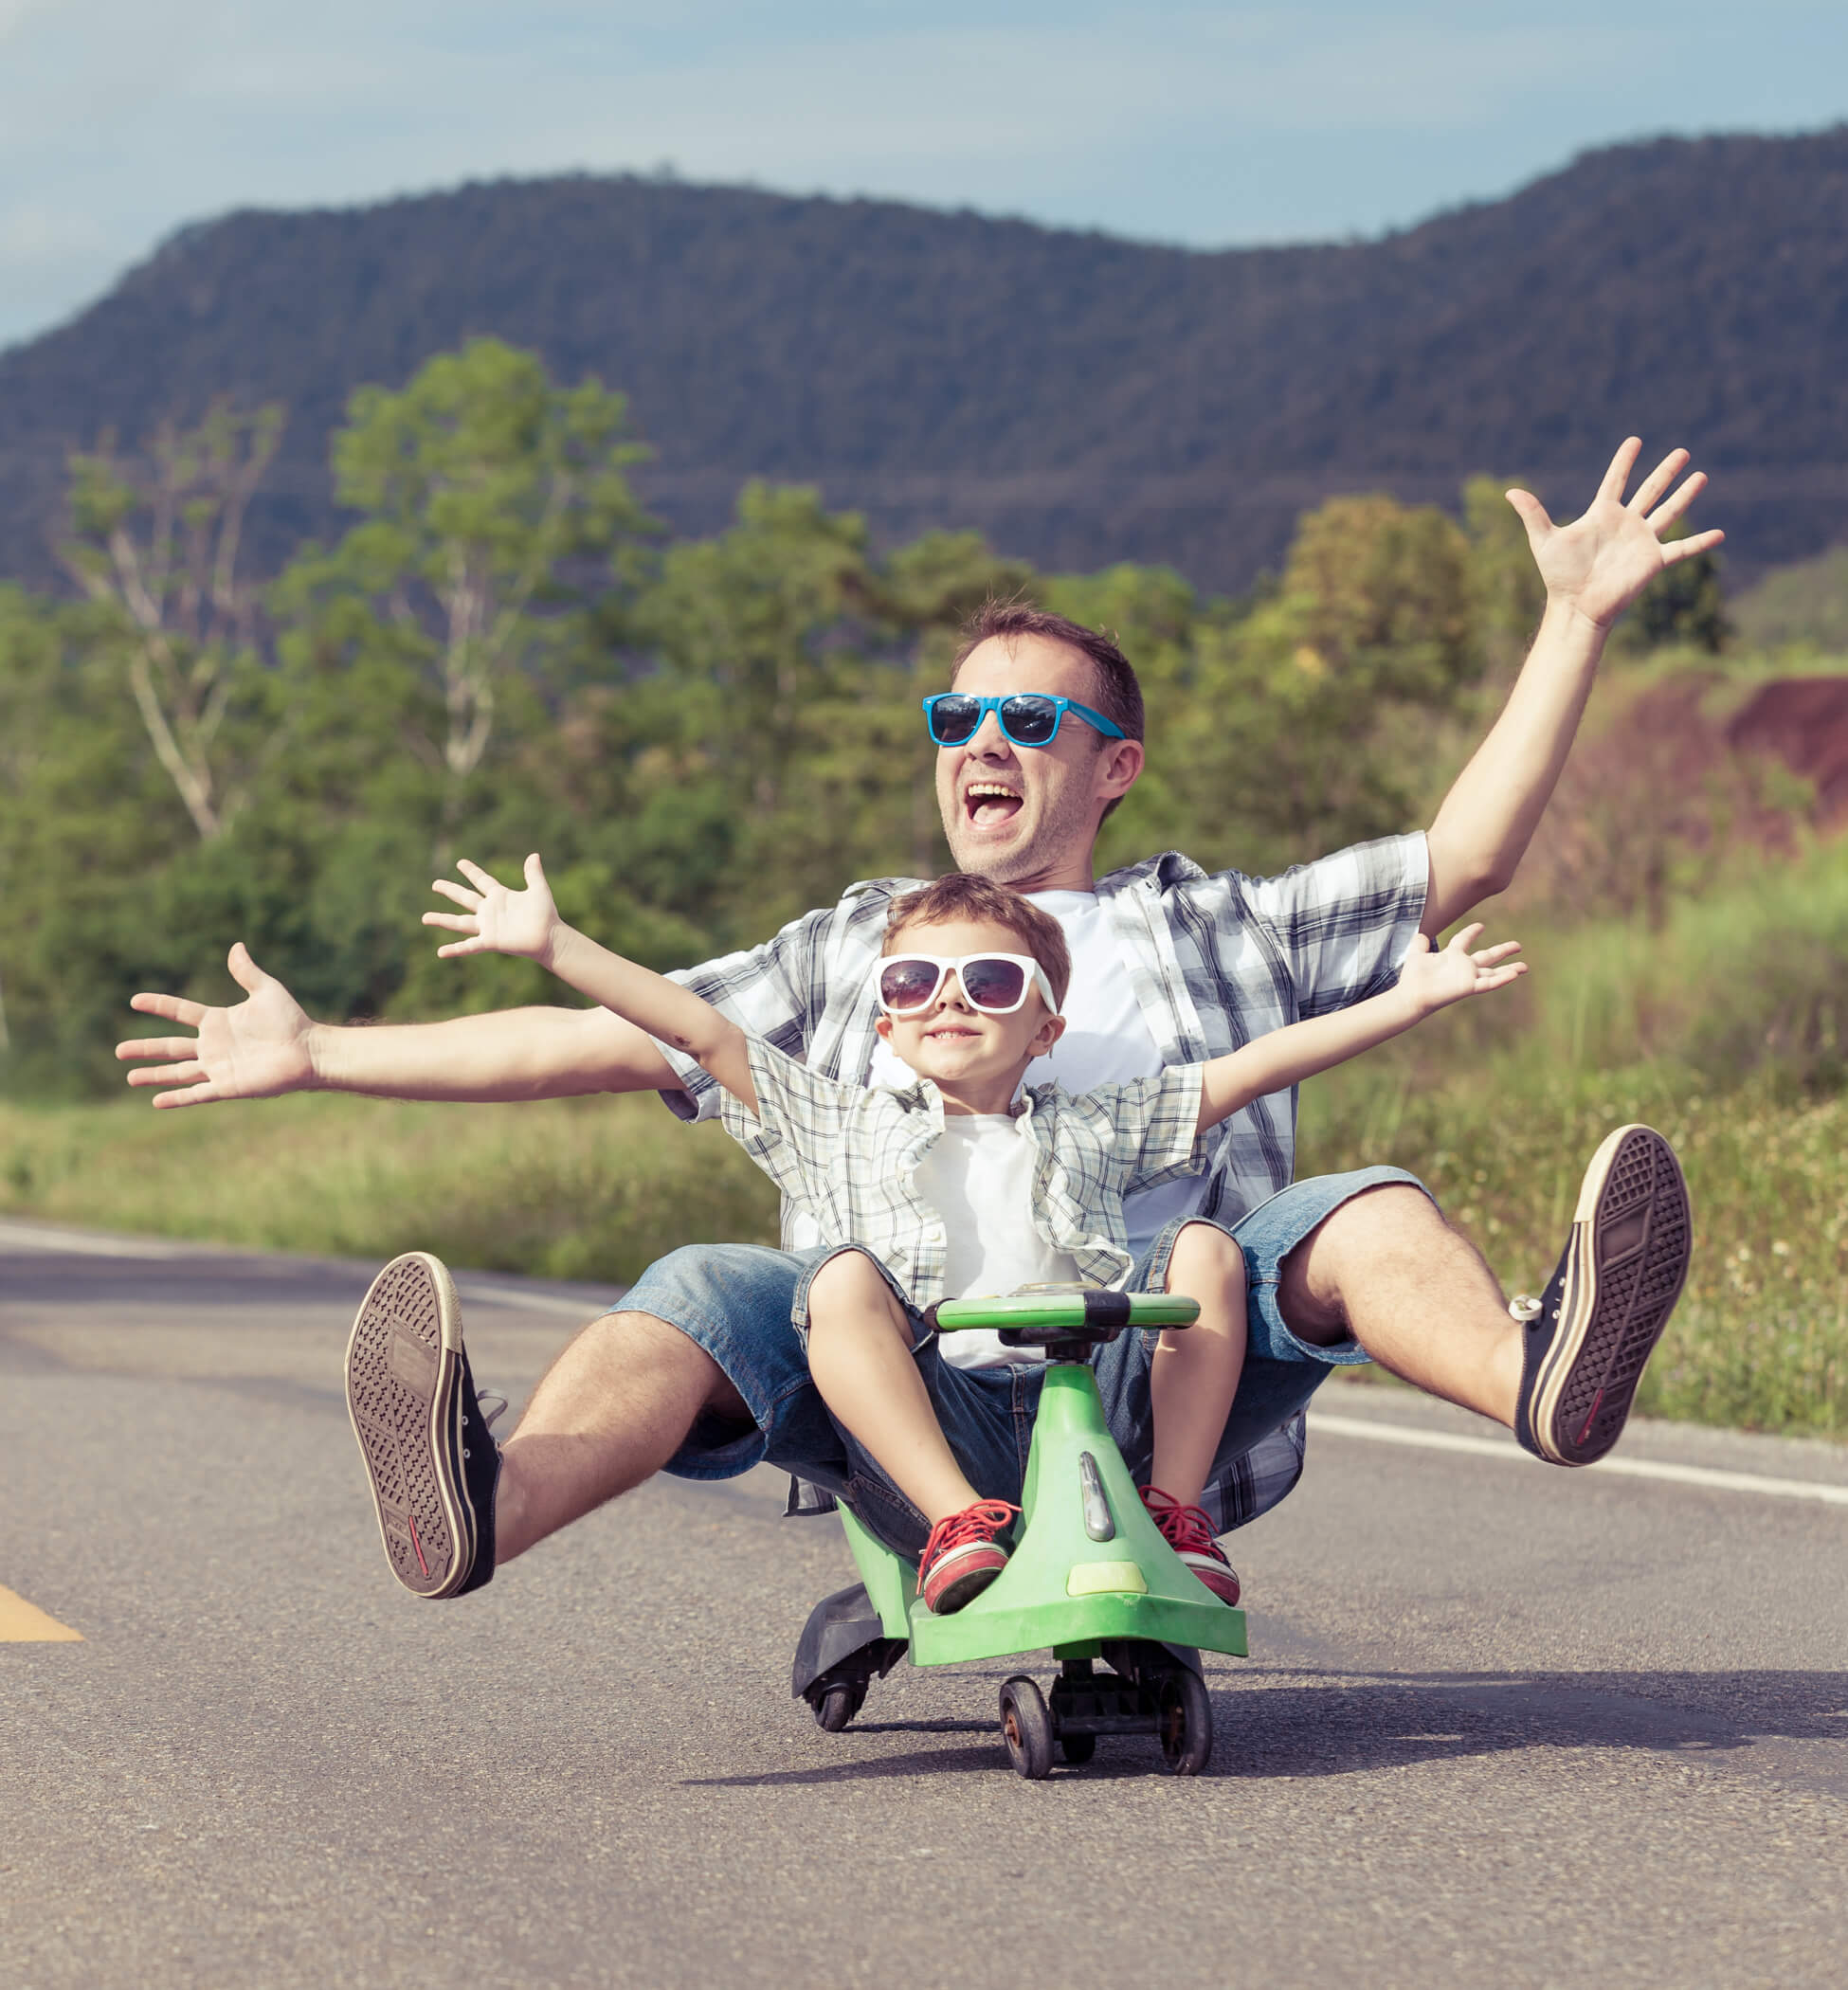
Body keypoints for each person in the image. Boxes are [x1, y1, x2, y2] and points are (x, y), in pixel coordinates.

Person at [118, 438, 1708, 1605]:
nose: (983, 739)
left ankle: (1539, 1378)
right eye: (958, 716)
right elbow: (623, 1039)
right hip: (908, 1387)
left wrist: (1573, 620)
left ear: (1115, 768)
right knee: (702, 1287)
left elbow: (1466, 857)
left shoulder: (1216, 922)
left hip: (1174, 1374)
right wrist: (323, 1053)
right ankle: (482, 1499)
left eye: (1031, 717)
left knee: (1359, 1209)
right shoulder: (861, 946)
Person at [414, 859, 1526, 1614]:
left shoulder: (1096, 1126)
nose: (952, 998)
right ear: (887, 1021)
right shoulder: (833, 1121)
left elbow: (1252, 1070)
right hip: (931, 1430)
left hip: (1098, 1410)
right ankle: (959, 1528)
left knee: (1204, 1249)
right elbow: (695, 1028)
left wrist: (1407, 1001)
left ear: (1046, 1026)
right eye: (917, 981)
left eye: (991, 981)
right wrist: (557, 945)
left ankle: (1176, 1512)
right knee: (841, 1279)